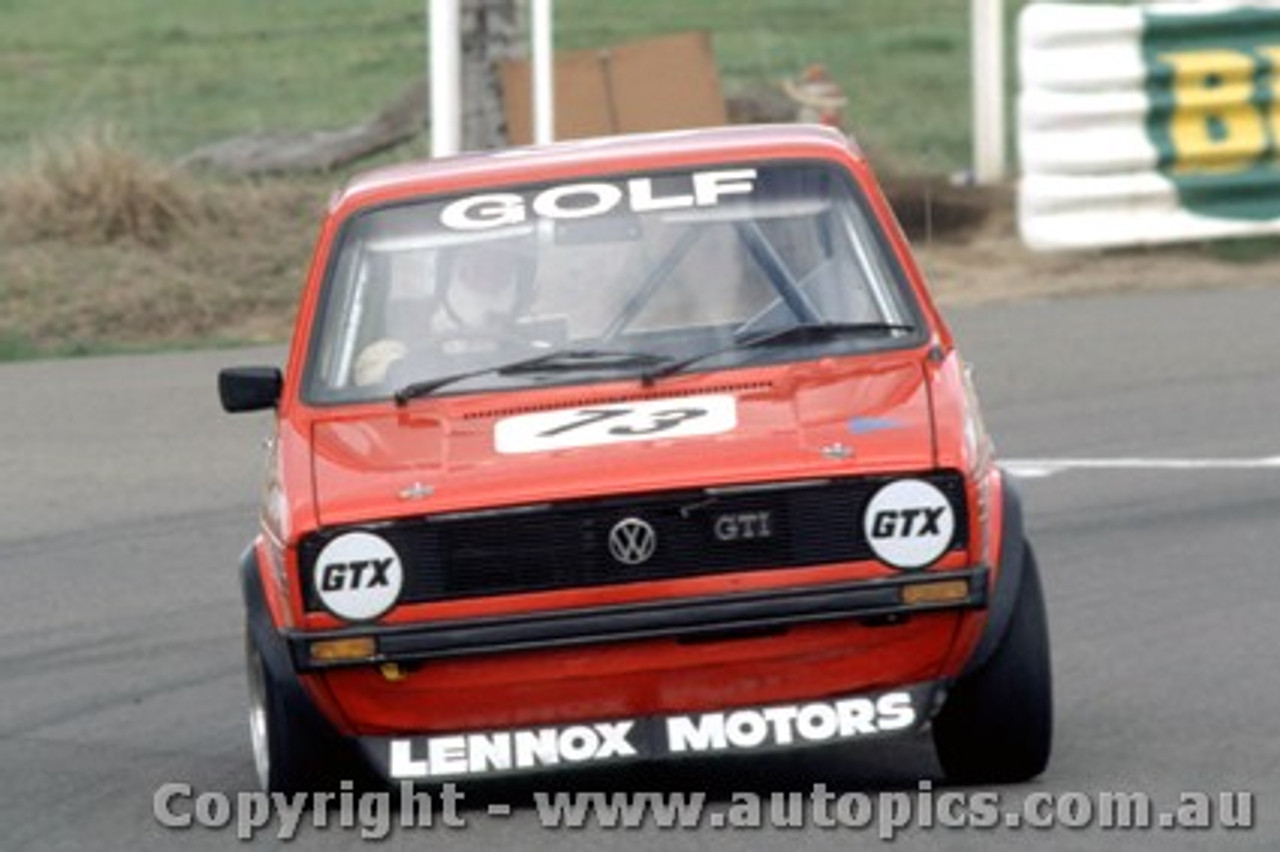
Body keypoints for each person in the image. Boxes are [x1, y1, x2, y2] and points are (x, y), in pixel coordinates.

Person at [353, 239, 536, 387]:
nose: (490, 275)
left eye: (502, 270)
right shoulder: (411, 324)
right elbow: (370, 372)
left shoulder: (531, 341)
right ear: (451, 272)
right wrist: (410, 361)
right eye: (478, 267)